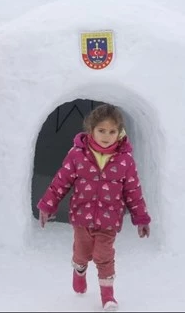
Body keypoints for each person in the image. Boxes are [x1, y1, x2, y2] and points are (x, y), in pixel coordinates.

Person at [37, 104, 151, 311]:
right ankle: (79, 270)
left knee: (104, 256)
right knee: (82, 253)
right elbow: (60, 182)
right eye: (101, 131)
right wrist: (47, 205)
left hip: (109, 219)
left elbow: (133, 191)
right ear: (91, 130)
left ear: (120, 132)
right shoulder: (77, 154)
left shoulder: (125, 161)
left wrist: (141, 218)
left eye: (112, 131)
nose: (107, 136)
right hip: (82, 216)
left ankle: (108, 296)